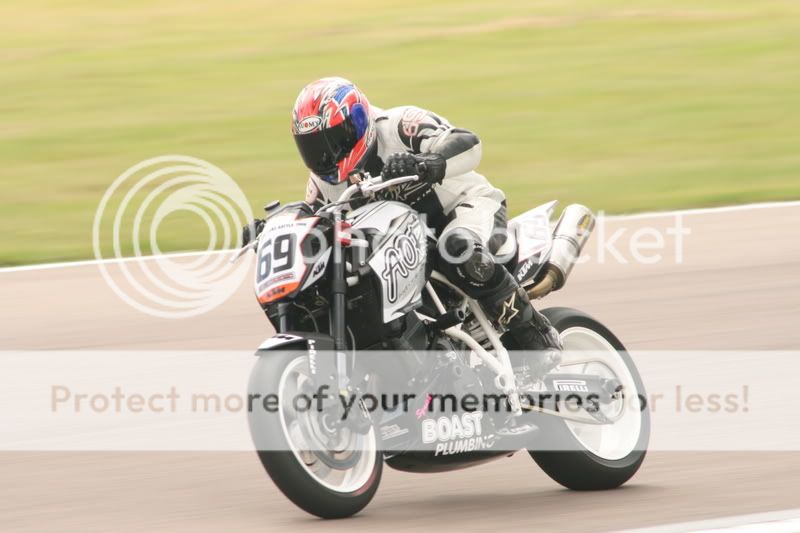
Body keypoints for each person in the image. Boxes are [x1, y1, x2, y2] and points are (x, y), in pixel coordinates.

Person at [248, 77, 561, 373]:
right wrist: (280, 226)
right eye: (313, 147)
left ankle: (536, 335)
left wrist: (427, 162)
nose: (325, 155)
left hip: (464, 209)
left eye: (334, 140)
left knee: (458, 248)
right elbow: (319, 219)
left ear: (358, 122)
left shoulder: (399, 125)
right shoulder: (321, 183)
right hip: (410, 244)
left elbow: (468, 142)